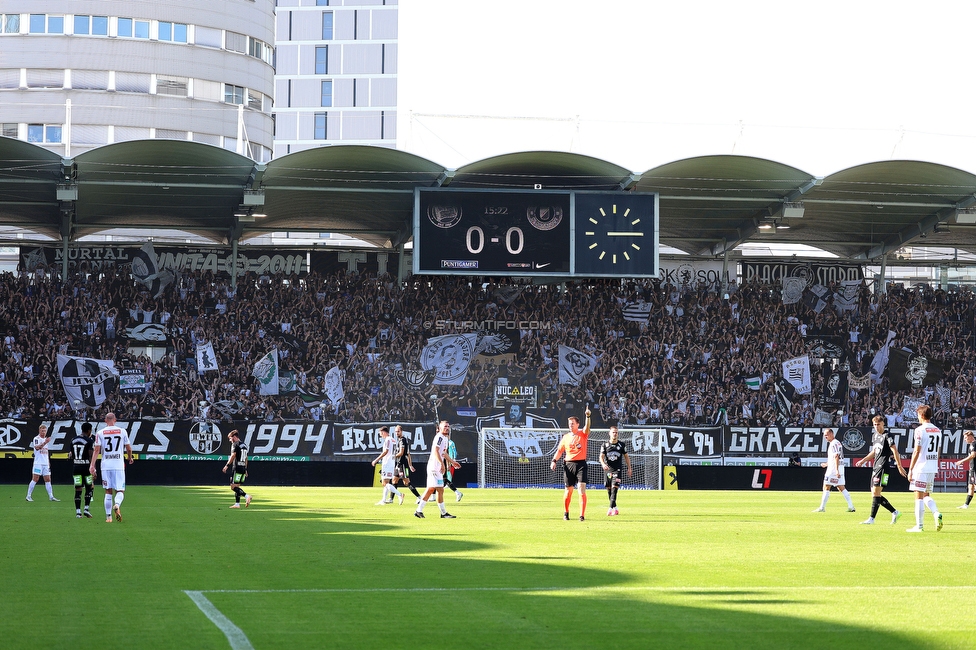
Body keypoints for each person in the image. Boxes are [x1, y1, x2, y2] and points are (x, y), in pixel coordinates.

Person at [855, 414, 907, 524]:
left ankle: (872, 518)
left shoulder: (887, 435)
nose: (876, 427)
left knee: (876, 493)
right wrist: (863, 460)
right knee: (875, 494)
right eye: (874, 425)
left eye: (878, 424)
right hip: (876, 467)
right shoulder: (875, 436)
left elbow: (894, 451)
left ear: (883, 424)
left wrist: (899, 466)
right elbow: (874, 451)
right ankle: (894, 512)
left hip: (883, 467)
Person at [89, 412, 133, 523]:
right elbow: (128, 448)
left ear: (105, 421)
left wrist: (92, 465)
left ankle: (108, 517)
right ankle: (117, 504)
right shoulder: (122, 431)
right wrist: (129, 457)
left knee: (108, 491)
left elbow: (97, 450)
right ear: (115, 420)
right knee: (120, 490)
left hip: (106, 466)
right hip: (118, 465)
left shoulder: (100, 433)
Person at [550, 407, 592, 521]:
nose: (570, 425)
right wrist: (554, 461)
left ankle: (582, 515)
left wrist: (588, 416)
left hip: (581, 464)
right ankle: (566, 512)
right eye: (569, 424)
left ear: (578, 424)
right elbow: (559, 451)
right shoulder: (565, 437)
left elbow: (587, 428)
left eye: (573, 423)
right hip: (568, 465)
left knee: (581, 489)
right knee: (568, 491)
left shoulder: (582, 434)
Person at [906, 404, 943, 532]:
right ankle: (936, 513)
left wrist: (910, 469)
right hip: (932, 467)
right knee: (926, 494)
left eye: (918, 415)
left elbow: (917, 450)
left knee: (918, 496)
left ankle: (919, 526)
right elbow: (938, 450)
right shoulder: (938, 430)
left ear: (921, 415)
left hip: (921, 468)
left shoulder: (919, 430)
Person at [414, 420, 459, 519]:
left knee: (431, 489)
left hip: (436, 467)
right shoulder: (439, 437)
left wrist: (452, 462)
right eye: (445, 426)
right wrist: (441, 464)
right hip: (434, 467)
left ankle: (419, 511)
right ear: (440, 428)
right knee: (439, 489)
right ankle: (443, 513)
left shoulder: (445, 439)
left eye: (448, 426)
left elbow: (443, 453)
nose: (447, 428)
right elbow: (436, 451)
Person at [813, 428, 856, 513]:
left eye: (827, 435)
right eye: (824, 435)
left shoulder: (834, 443)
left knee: (826, 486)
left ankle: (822, 508)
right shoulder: (836, 443)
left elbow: (836, 456)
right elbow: (835, 457)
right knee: (841, 487)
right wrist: (827, 464)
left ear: (832, 434)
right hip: (839, 468)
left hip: (833, 470)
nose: (825, 437)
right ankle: (851, 506)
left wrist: (836, 470)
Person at [599, 425, 632, 516]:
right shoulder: (605, 445)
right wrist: (603, 464)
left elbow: (626, 457)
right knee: (609, 490)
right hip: (608, 470)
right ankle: (615, 508)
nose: (615, 434)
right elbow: (601, 457)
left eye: (616, 432)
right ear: (609, 433)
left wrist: (629, 468)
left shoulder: (621, 445)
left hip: (617, 470)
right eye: (613, 432)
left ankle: (610, 509)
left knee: (614, 489)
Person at [69, 422, 96, 518]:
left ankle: (78, 512)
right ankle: (86, 509)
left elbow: (70, 454)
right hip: (86, 468)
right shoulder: (89, 441)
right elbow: (91, 455)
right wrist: (93, 469)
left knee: (78, 489)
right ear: (89, 430)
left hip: (76, 467)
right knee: (89, 487)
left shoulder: (73, 440)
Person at [26, 424, 59, 502]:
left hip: (45, 463)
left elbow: (46, 452)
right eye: (42, 430)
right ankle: (28, 496)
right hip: (38, 463)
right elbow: (37, 448)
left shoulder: (45, 439)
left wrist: (48, 462)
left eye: (44, 431)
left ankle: (51, 496)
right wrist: (45, 442)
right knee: (35, 479)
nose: (43, 432)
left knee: (48, 479)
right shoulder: (36, 438)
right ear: (39, 431)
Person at [371, 426, 403, 505]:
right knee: (387, 482)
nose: (380, 435)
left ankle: (400, 494)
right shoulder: (393, 440)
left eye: (380, 433)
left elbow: (385, 451)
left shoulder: (388, 440)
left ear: (383, 432)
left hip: (387, 463)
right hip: (392, 462)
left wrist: (376, 460)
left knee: (384, 483)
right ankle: (383, 500)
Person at [391, 425, 422, 501]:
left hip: (403, 464)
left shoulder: (403, 440)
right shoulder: (399, 440)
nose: (397, 433)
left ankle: (419, 497)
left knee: (406, 482)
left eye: (398, 431)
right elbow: (408, 453)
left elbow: (402, 453)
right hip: (398, 464)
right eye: (395, 431)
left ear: (401, 431)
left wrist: (393, 456)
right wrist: (410, 465)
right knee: (394, 480)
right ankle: (391, 499)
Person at [222, 430, 252, 509]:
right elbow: (246, 458)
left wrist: (227, 465)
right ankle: (237, 504)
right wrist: (245, 469)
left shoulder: (235, 444)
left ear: (234, 437)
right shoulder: (244, 445)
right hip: (242, 468)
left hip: (237, 468)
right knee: (237, 486)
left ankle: (247, 496)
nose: (230, 440)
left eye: (230, 438)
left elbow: (233, 455)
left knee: (233, 487)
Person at [955, 430, 975, 509]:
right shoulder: (971, 445)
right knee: (971, 486)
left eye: (966, 438)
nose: (965, 439)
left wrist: (962, 461)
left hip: (975, 469)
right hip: (972, 468)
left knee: (974, 486)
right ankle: (966, 505)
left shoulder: (974, 444)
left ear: (970, 437)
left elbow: (973, 455)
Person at [444, 436, 463, 502]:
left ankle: (449, 483)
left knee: (449, 472)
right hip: (446, 459)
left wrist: (454, 459)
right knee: (445, 473)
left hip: (450, 459)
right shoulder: (443, 442)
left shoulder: (451, 443)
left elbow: (454, 451)